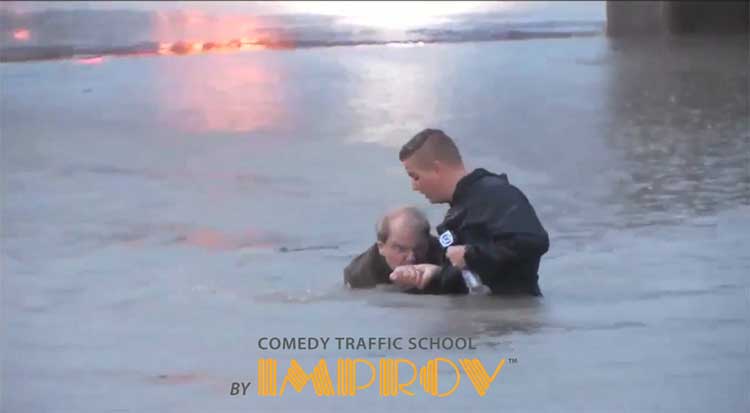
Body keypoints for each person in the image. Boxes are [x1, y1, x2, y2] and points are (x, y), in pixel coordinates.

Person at [389, 128, 550, 296]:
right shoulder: (455, 215)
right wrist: (434, 276)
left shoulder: (496, 195)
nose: (414, 187)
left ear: (436, 169)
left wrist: (470, 255)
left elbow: (533, 241)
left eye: (415, 177)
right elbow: (471, 279)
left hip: (514, 318)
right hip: (482, 316)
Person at [344, 206, 443, 289]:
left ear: (428, 242)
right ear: (381, 247)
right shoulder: (359, 275)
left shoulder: (445, 254)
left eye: (419, 248)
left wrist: (439, 275)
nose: (411, 258)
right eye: (400, 249)